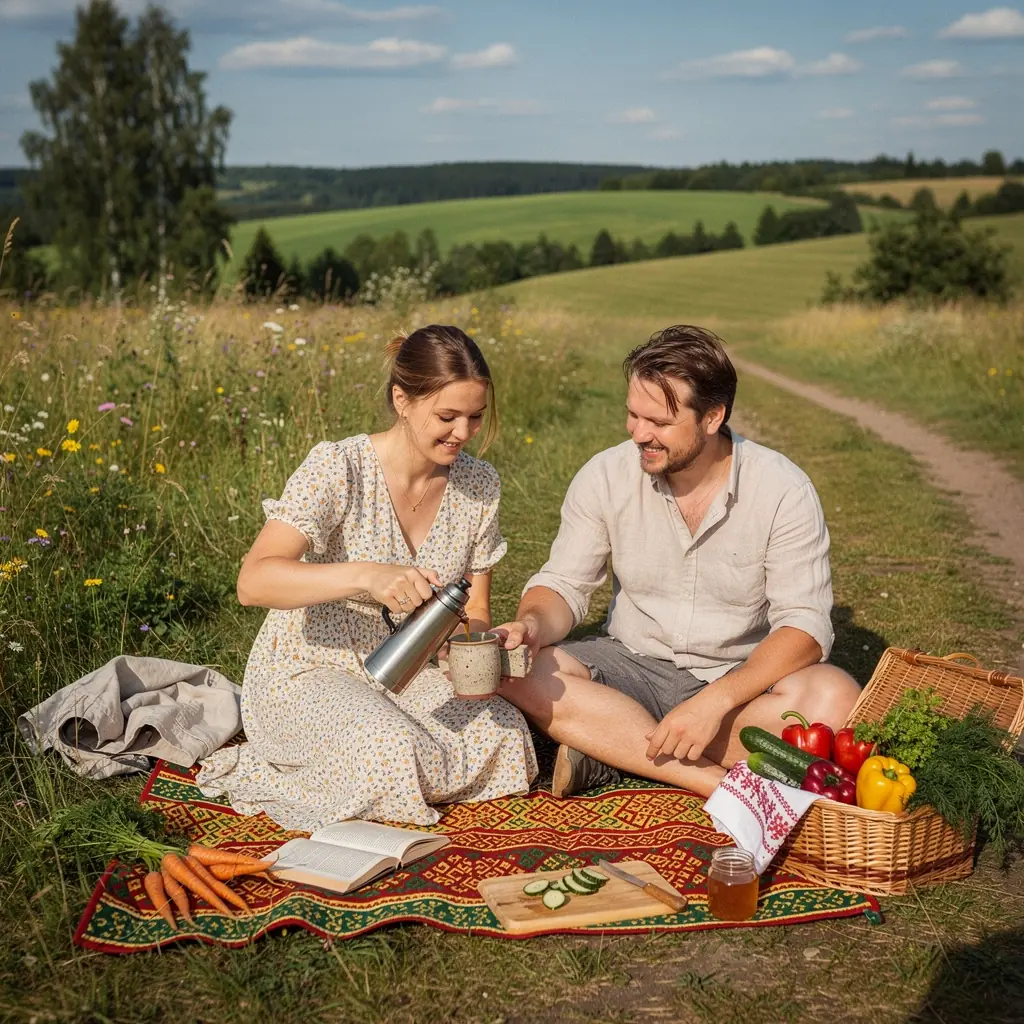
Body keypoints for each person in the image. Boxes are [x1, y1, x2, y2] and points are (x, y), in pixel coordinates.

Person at [495, 324, 860, 799]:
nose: (639, 434)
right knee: (520, 668)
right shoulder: (605, 475)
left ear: (712, 418)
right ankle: (707, 779)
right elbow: (563, 584)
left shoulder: (783, 490)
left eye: (661, 423)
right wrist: (531, 625)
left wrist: (716, 701)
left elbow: (805, 628)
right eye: (632, 415)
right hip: (629, 665)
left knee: (837, 701)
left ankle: (612, 746)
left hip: (738, 683)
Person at [197, 325, 538, 830]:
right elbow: (254, 582)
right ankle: (379, 770)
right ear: (402, 399)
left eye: (475, 417)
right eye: (447, 417)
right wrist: (365, 576)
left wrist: (484, 641)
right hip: (312, 668)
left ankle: (383, 777)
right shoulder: (338, 467)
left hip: (408, 672)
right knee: (387, 746)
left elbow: (476, 613)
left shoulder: (480, 485)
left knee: (505, 733)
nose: (463, 434)